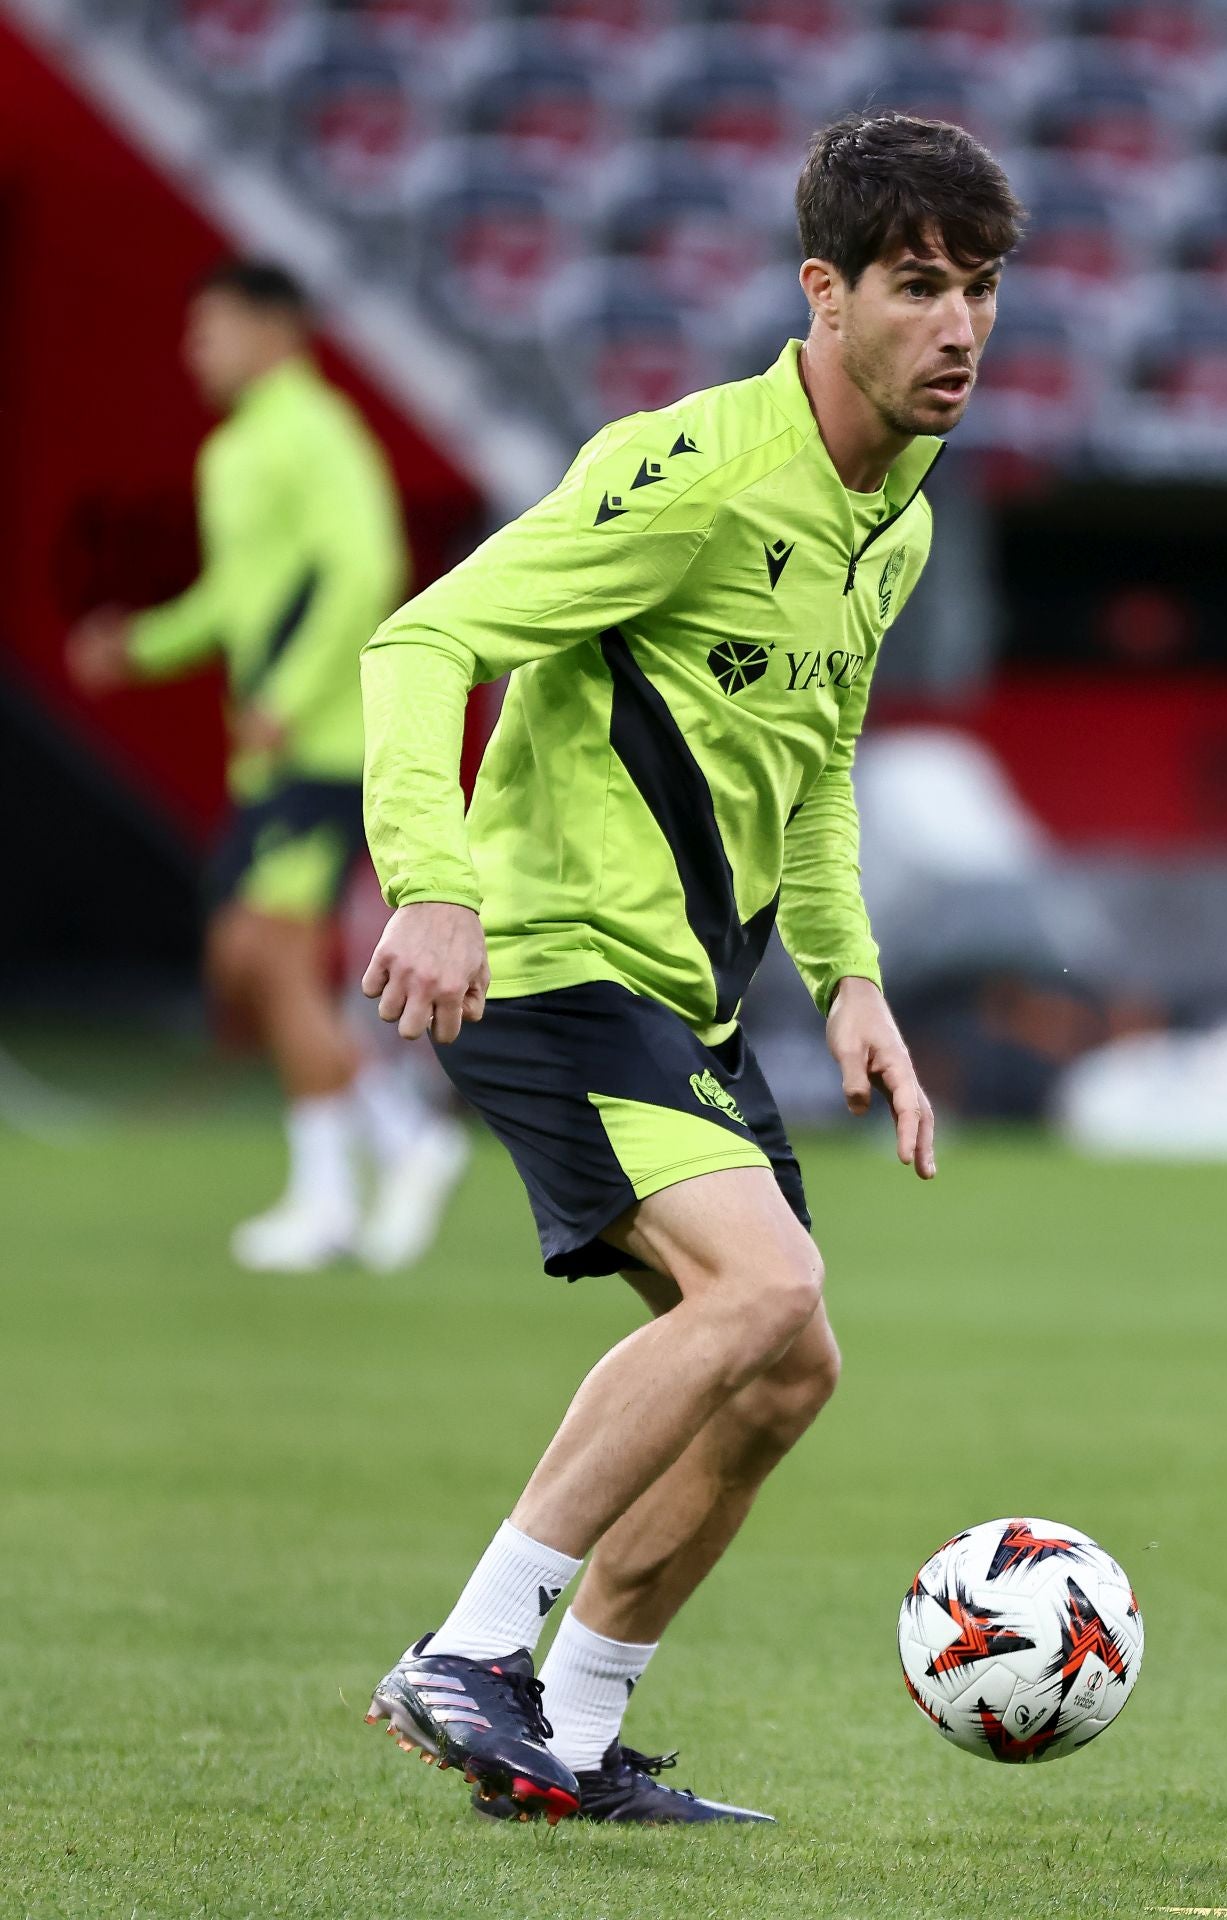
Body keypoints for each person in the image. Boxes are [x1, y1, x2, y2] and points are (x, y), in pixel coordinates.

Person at [359, 113, 1021, 1824]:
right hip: (548, 961)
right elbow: (425, 635)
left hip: (684, 997)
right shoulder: (697, 475)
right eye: (917, 287)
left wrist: (851, 978)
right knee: (764, 1294)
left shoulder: (902, 507)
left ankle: (567, 1738)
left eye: (982, 290)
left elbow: (812, 759)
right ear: (825, 291)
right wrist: (432, 885)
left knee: (788, 1368)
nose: (957, 327)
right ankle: (472, 1651)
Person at [66, 260, 467, 1274]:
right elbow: (235, 597)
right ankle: (401, 1139)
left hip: (323, 749)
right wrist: (142, 646)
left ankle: (333, 1195)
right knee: (248, 961)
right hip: (276, 756)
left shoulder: (315, 434)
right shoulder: (239, 447)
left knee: (273, 958)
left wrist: (287, 696)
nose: (195, 349)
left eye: (212, 328)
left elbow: (363, 570)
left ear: (273, 329)